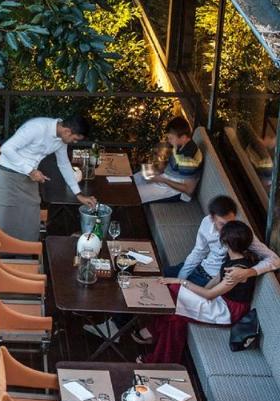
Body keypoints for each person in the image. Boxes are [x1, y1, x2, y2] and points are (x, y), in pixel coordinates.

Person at [87, 194, 279, 343]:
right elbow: (197, 253)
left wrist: (250, 271)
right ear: (212, 218)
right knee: (142, 276)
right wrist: (179, 276)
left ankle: (127, 328)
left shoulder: (241, 232)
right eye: (222, 224)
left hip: (211, 282)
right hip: (198, 270)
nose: (227, 228)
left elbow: (274, 259)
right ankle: (115, 323)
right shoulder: (206, 223)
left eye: (230, 222)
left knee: (154, 290)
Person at [139, 220, 259, 364]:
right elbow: (215, 280)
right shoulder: (234, 257)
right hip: (219, 298)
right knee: (175, 310)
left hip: (227, 311)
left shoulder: (236, 271)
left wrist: (181, 282)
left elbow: (210, 295)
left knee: (174, 297)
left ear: (227, 243)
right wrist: (195, 294)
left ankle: (158, 352)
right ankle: (161, 357)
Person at [0, 115, 96, 243]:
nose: (75, 142)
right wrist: (31, 170)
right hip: (7, 175)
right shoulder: (36, 128)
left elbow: (64, 163)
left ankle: (24, 257)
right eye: (75, 139)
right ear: (67, 131)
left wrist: (78, 194)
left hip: (29, 179)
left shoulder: (61, 139)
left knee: (30, 222)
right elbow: (6, 148)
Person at [134, 116, 203, 204]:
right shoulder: (180, 145)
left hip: (176, 192)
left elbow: (188, 190)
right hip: (165, 178)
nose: (169, 141)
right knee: (131, 181)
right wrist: (159, 170)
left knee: (134, 194)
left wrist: (161, 180)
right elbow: (173, 167)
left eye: (171, 138)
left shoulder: (188, 159)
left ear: (183, 137)